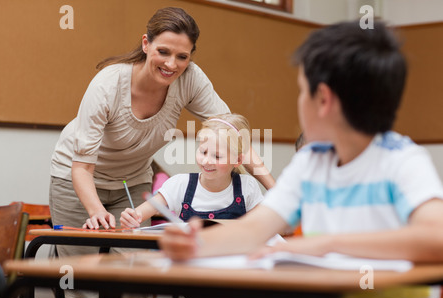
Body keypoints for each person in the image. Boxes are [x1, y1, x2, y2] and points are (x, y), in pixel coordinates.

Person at [159, 20, 443, 265]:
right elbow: (255, 229)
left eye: (302, 91)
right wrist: (194, 243)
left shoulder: (402, 160)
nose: (299, 101)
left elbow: (437, 238)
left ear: (323, 100)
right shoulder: (310, 162)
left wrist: (327, 244)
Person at [49, 6, 274, 254]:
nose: (171, 64)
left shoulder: (190, 79)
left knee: (137, 272)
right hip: (79, 179)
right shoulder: (108, 84)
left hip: (131, 181)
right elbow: (82, 167)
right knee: (82, 274)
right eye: (163, 52)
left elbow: (234, 136)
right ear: (146, 44)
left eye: (182, 56)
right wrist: (96, 211)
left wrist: (277, 192)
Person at [119, 113, 264, 228]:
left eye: (217, 156)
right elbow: (139, 214)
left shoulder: (247, 186)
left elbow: (261, 225)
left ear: (238, 160)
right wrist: (131, 217)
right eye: (203, 152)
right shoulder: (180, 184)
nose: (207, 161)